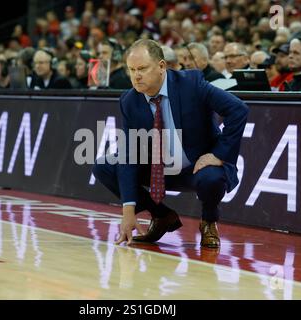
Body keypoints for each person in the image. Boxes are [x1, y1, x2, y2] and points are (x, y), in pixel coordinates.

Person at [92, 39, 248, 248]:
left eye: (142, 69)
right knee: (104, 166)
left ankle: (209, 222)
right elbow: (129, 154)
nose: (136, 76)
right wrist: (128, 210)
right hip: (158, 169)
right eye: (131, 70)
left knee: (212, 177)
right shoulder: (130, 100)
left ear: (162, 67)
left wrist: (219, 154)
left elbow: (238, 110)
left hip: (196, 167)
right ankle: (162, 216)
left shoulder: (190, 84)